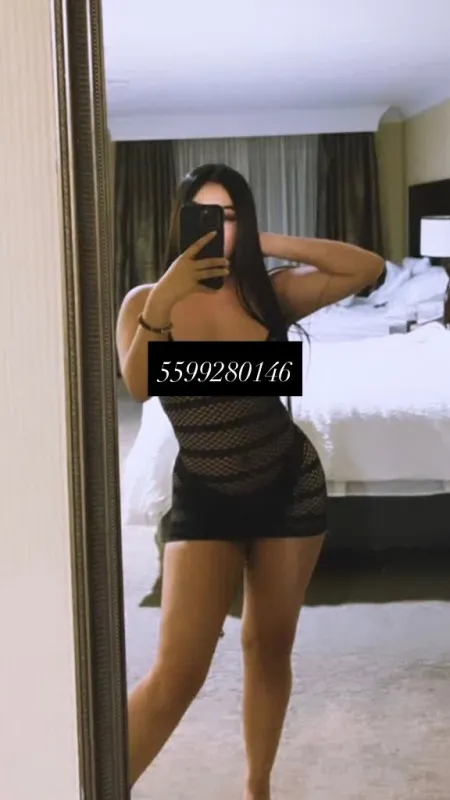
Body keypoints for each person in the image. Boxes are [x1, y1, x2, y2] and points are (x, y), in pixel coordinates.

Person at [116, 163, 384, 799]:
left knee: (267, 646)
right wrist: (164, 300)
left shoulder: (271, 293)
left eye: (231, 217)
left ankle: (257, 788)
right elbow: (139, 384)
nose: (219, 230)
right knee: (176, 673)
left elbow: (367, 267)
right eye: (206, 216)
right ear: (181, 221)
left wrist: (266, 243)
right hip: (205, 496)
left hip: (288, 487)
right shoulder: (144, 300)